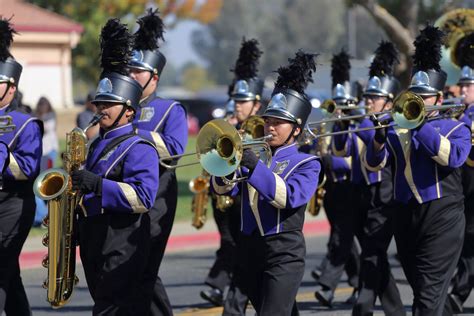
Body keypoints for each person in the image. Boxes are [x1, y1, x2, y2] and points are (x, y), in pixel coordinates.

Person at [364, 25, 471, 315]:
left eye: (425, 96)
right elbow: (374, 165)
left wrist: (420, 125)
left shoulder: (456, 127)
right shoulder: (397, 129)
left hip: (442, 216)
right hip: (405, 216)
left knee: (426, 298)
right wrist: (376, 137)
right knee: (424, 295)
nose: (419, 101)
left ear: (438, 99)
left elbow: (451, 157)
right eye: (415, 94)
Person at [211, 51, 320, 316]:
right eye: (268, 120)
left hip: (284, 252)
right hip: (249, 250)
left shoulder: (307, 163)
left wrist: (253, 166)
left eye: (279, 123)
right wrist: (226, 165)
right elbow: (223, 189)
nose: (270, 127)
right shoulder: (256, 156)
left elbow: (288, 197)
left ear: (296, 129)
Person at [73, 18, 159, 315]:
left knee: (110, 309)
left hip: (123, 239)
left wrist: (96, 185)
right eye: (99, 103)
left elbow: (144, 198)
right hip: (95, 236)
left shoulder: (139, 147)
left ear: (129, 111)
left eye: (109, 103)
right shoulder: (96, 143)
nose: (101, 109)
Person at [334, 41, 405, 315]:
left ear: (388, 102)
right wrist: (341, 125)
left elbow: (373, 141)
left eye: (374, 98)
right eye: (368, 97)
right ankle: (396, 309)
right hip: (360, 194)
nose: (368, 101)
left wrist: (359, 121)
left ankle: (362, 309)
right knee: (374, 257)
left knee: (372, 254)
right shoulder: (362, 121)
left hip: (384, 196)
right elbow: (342, 150)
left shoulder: (393, 123)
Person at [128, 9, 188, 316]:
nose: (132, 76)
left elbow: (176, 149)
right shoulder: (122, 107)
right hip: (124, 195)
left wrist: (134, 134)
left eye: (138, 71)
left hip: (158, 196)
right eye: (130, 71)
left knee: (145, 269)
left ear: (154, 76)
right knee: (130, 270)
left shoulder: (169, 109)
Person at [202, 38, 264, 315]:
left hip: (250, 202)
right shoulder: (224, 126)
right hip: (225, 199)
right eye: (236, 100)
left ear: (256, 103)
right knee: (237, 253)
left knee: (245, 258)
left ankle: (231, 299)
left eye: (243, 101)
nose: (238, 105)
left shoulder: (261, 129)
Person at [0, 17, 43, 315]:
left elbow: (27, 169)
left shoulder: (25, 123)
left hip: (12, 204)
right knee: (8, 275)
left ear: (11, 87)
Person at [314, 49, 361, 307]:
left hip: (352, 189)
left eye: (342, 105)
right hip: (333, 190)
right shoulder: (330, 126)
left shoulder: (358, 127)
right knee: (345, 240)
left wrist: (330, 161)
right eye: (336, 104)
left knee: (340, 240)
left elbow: (360, 161)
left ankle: (327, 286)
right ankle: (358, 283)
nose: (338, 110)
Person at [446, 32, 474, 314]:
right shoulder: (458, 115)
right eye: (462, 84)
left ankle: (458, 293)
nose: (462, 89)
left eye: (468, 85)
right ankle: (456, 292)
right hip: (463, 188)